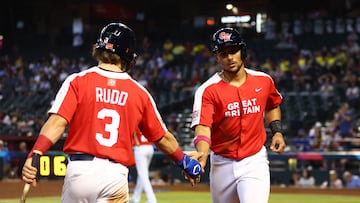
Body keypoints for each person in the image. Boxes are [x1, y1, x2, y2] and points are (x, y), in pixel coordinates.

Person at [21, 22, 202, 203]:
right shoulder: (139, 92)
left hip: (80, 171)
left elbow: (56, 123)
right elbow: (163, 138)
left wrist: (35, 153)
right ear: (128, 54)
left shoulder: (77, 81)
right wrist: (185, 162)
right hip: (115, 176)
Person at [190, 27, 286, 203]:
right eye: (223, 53)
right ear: (216, 57)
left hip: (254, 160)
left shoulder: (263, 81)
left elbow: (272, 105)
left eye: (233, 50)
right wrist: (202, 155)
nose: (229, 57)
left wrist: (277, 131)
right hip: (221, 163)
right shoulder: (207, 90)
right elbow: (203, 127)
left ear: (243, 51)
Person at [130, 128, 157, 203]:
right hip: (149, 147)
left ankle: (151, 199)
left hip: (140, 148)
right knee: (142, 175)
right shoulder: (145, 124)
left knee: (143, 175)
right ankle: (136, 198)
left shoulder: (134, 123)